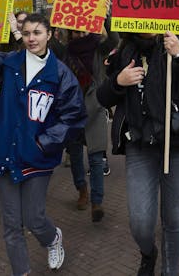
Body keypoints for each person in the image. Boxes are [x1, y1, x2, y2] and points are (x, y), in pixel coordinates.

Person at [0, 10, 86, 275]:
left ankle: (52, 239)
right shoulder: (8, 63)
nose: (31, 38)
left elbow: (73, 117)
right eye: (26, 33)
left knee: (34, 219)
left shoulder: (60, 74)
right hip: (5, 152)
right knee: (12, 224)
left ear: (49, 34)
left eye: (37, 33)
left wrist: (44, 143)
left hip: (37, 156)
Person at [97, 31, 179, 276]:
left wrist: (178, 54)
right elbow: (103, 97)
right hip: (139, 144)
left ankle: (170, 271)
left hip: (177, 145)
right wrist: (119, 82)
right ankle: (148, 252)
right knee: (140, 223)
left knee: (173, 219)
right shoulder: (125, 50)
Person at [62, 24, 119, 221]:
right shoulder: (66, 52)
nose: (80, 35)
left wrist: (107, 18)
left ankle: (97, 202)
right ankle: (82, 190)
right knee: (76, 154)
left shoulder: (98, 47)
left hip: (95, 107)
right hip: (73, 110)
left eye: (83, 31)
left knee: (96, 156)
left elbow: (114, 40)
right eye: (76, 31)